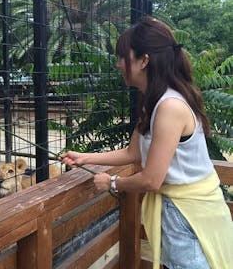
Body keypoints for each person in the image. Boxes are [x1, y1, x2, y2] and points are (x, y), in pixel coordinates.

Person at [60, 16, 233, 269]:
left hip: (189, 214)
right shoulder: (153, 101)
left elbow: (152, 179)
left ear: (144, 60)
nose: (118, 64)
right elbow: (133, 153)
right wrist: (86, 158)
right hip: (180, 210)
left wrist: (112, 182)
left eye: (123, 56)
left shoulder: (169, 106)